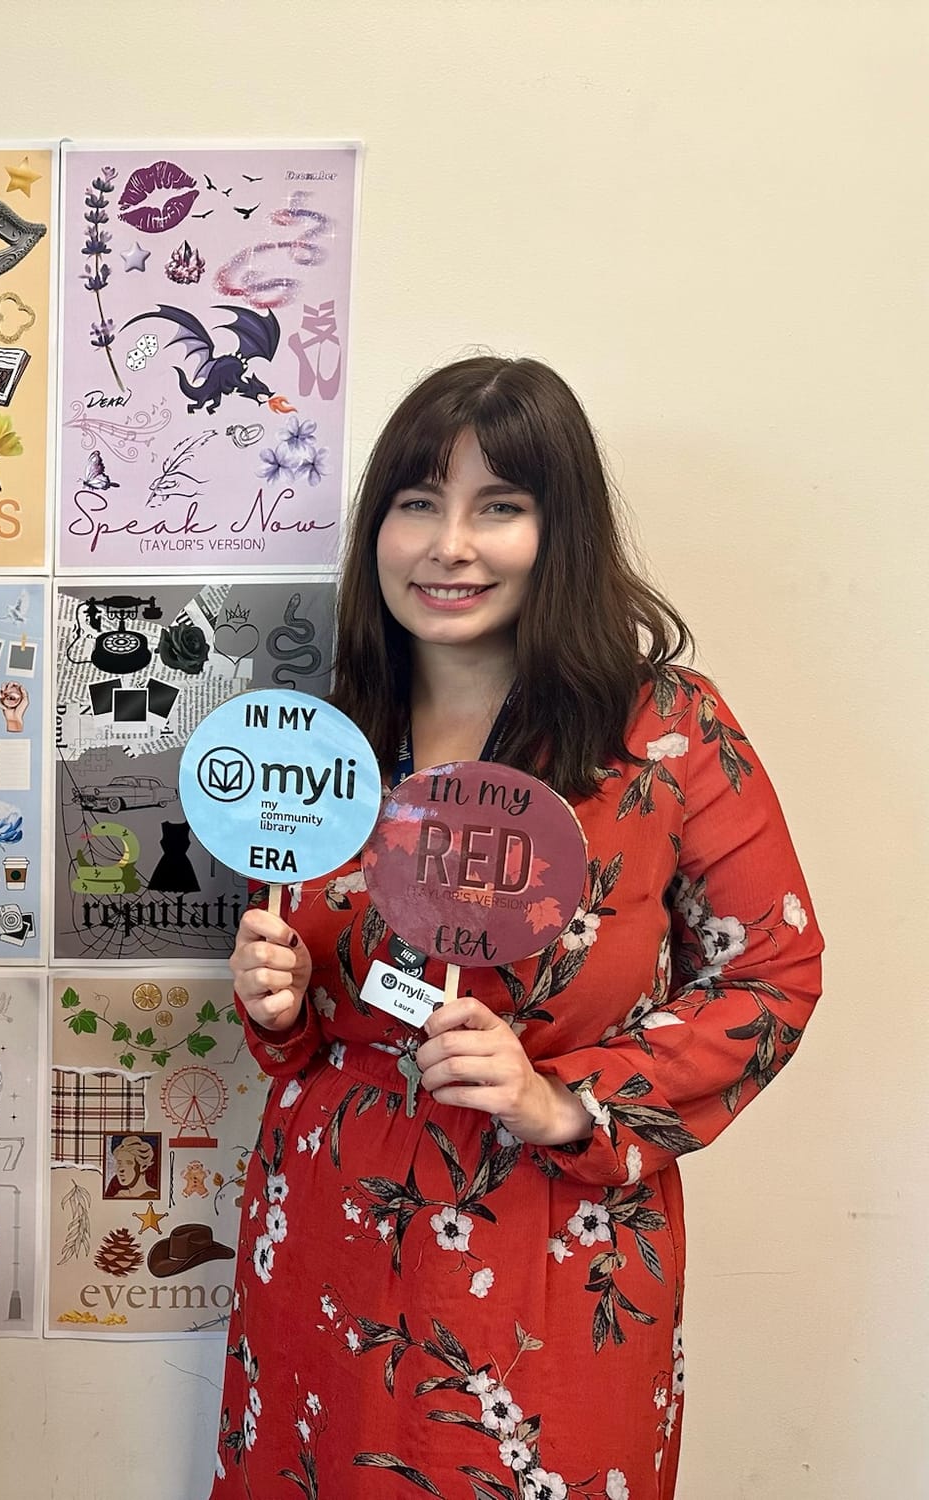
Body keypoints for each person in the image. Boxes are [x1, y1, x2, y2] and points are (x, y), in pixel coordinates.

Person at [213, 358, 821, 1499]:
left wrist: (566, 1099)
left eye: (498, 507)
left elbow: (772, 973)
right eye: (415, 504)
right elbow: (310, 1020)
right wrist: (277, 1005)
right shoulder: (326, 737)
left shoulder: (662, 729)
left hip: (553, 1243)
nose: (450, 545)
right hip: (327, 1231)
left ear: (560, 529)